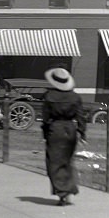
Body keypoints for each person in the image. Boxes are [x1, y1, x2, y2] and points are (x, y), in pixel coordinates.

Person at [40, 66, 86, 205]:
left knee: (54, 162)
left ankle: (61, 192)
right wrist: (82, 133)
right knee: (67, 160)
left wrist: (45, 133)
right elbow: (80, 117)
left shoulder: (49, 97)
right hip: (70, 129)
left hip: (55, 129)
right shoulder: (75, 97)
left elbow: (46, 118)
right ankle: (69, 188)